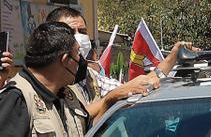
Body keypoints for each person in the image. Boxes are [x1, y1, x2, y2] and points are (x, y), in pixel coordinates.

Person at [46, 7, 197, 106]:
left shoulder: (90, 76)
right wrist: (109, 99)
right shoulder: (46, 81)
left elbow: (139, 86)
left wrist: (173, 57)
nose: (79, 37)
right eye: (72, 32)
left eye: (83, 32)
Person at [0, 22, 91, 136]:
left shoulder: (68, 95)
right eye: (77, 52)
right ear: (65, 59)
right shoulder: (16, 98)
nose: (81, 60)